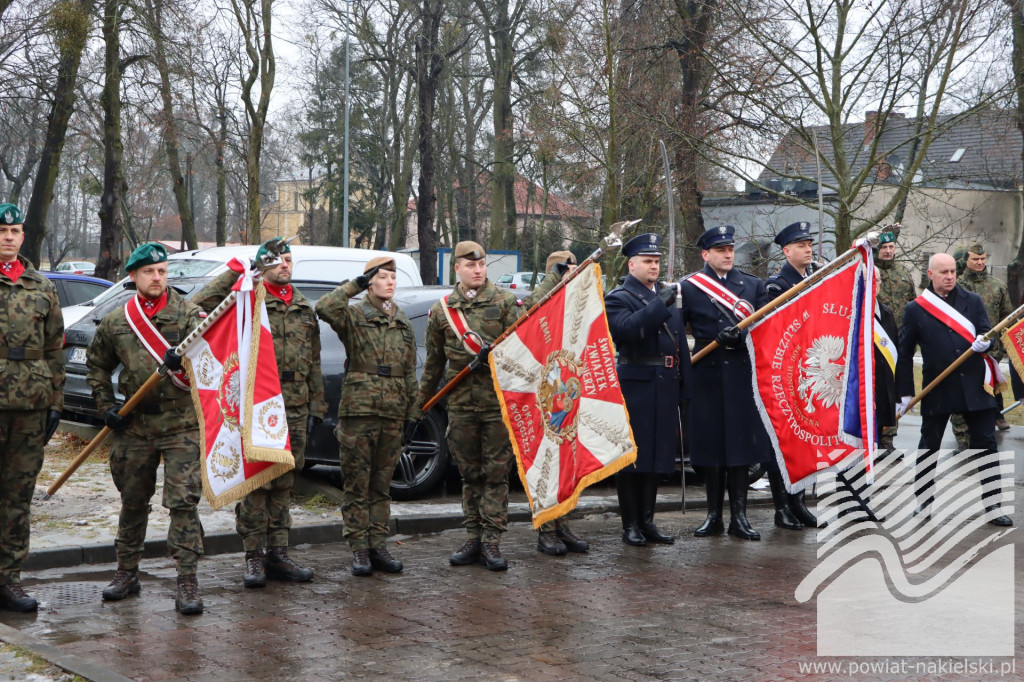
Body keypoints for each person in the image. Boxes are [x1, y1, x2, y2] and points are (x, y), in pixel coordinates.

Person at [193, 239, 323, 587]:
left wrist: (316, 407)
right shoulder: (247, 299)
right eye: (277, 260)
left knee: (283, 483)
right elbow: (196, 305)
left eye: (288, 259)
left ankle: (278, 552)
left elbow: (314, 361)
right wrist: (240, 271)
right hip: (255, 404)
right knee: (258, 482)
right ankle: (253, 555)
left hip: (293, 406)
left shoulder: (304, 308)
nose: (284, 264)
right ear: (265, 265)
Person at [86, 242, 206, 614]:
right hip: (135, 427)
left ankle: (187, 579)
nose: (157, 278)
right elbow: (97, 365)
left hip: (180, 424)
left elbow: (211, 355)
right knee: (133, 500)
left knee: (183, 502)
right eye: (150, 272)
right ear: (134, 276)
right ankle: (126, 573)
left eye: (162, 271)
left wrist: (185, 358)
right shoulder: (118, 320)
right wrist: (107, 407)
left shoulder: (188, 314)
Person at [416, 241, 544, 570]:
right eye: (470, 265)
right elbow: (433, 363)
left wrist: (497, 356)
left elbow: (522, 352)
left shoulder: (503, 302)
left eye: (482, 264)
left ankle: (492, 541)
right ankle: (473, 535)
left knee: (496, 474)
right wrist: (419, 404)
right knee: (469, 474)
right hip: (460, 405)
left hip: (496, 403)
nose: (477, 270)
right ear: (456, 268)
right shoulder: (443, 310)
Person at [316, 255, 418, 576]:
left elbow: (410, 370)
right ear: (370, 281)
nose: (390, 281)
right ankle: (359, 549)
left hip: (392, 412)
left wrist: (413, 413)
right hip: (359, 412)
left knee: (381, 485)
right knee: (357, 485)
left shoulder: (402, 320)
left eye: (393, 276)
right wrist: (354, 286)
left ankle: (378, 545)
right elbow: (324, 308)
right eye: (383, 276)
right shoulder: (354, 315)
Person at [896, 253, 1012, 527]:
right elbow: (904, 353)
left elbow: (988, 331)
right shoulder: (916, 308)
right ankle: (924, 501)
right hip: (938, 387)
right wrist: (905, 392)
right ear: (930, 274)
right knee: (929, 446)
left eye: (952, 272)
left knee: (986, 444)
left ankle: (993, 504)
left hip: (975, 385)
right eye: (944, 272)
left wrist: (985, 341)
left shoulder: (972, 301)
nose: (949, 276)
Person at [680, 224, 771, 540]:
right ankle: (713, 516)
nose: (728, 254)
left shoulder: (751, 285)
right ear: (706, 254)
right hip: (706, 375)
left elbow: (764, 328)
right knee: (711, 450)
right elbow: (677, 332)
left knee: (739, 450)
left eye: (730, 249)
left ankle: (740, 518)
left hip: (740, 375)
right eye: (721, 250)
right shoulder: (690, 287)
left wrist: (742, 335)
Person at [605, 234, 690, 547]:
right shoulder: (619, 297)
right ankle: (630, 525)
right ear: (632, 264)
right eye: (647, 261)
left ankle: (648, 521)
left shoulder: (665, 296)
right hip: (636, 384)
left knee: (657, 456)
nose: (653, 266)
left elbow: (679, 344)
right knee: (632, 458)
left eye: (656, 261)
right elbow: (628, 330)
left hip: (665, 382)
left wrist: (685, 386)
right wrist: (660, 304)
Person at [0, 203, 64, 612]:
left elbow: (56, 347)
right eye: (2, 229)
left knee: (17, 496)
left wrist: (56, 402)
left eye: (15, 230)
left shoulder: (42, 286)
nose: (8, 236)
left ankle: (9, 580)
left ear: (24, 236)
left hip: (31, 406)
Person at [762, 221, 822, 530]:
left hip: (810, 372)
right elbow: (776, 329)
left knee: (806, 442)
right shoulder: (776, 285)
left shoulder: (816, 278)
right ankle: (782, 505)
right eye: (801, 245)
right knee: (782, 443)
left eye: (810, 243)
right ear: (786, 252)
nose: (808, 249)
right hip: (785, 374)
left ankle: (799, 502)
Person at [532, 251, 591, 556]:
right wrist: (553, 279)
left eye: (572, 268)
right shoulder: (545, 299)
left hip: (571, 391)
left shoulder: (574, 301)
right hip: (547, 392)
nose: (569, 272)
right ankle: (546, 528)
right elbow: (531, 309)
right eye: (563, 269)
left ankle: (564, 523)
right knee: (547, 463)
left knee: (568, 463)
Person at [954, 243, 1013, 440]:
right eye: (975, 259)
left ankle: (987, 430)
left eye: (982, 259)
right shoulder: (957, 285)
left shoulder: (997, 286)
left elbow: (1007, 317)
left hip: (991, 352)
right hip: (963, 349)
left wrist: (1005, 346)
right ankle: (962, 436)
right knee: (962, 393)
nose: (980, 263)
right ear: (966, 260)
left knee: (988, 394)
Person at [874, 227, 917, 450]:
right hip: (876, 342)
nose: (888, 251)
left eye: (891, 247)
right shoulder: (868, 272)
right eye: (884, 247)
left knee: (896, 391)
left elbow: (913, 304)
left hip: (900, 342)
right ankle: (875, 435)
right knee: (878, 390)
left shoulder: (903, 273)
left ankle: (888, 437)